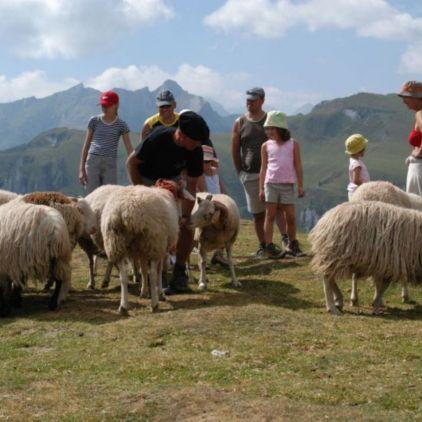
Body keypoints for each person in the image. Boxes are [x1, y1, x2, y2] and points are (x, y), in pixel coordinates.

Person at [126, 111, 210, 294]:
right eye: (195, 141)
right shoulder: (158, 138)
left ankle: (179, 275)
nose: (198, 145)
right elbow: (131, 162)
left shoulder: (195, 150)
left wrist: (186, 215)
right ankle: (156, 276)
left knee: (186, 227)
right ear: (182, 135)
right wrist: (141, 193)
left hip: (172, 183)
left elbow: (192, 184)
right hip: (146, 180)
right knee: (156, 229)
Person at [232, 87, 288, 258]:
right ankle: (264, 246)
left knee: (277, 208)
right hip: (249, 175)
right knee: (258, 214)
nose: (249, 102)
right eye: (248, 99)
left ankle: (287, 242)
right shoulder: (240, 122)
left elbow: (280, 143)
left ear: (262, 100)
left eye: (253, 100)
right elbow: (235, 149)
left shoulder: (268, 121)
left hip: (271, 174)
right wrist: (240, 172)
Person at [259, 111, 305, 258]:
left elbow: (298, 165)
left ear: (281, 128)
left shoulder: (293, 144)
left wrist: (300, 185)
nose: (269, 131)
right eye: (267, 128)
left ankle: (293, 244)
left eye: (272, 128)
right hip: (270, 183)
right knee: (270, 216)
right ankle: (268, 246)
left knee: (290, 216)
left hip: (287, 184)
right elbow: (263, 167)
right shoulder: (265, 146)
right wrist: (261, 188)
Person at [79, 90, 133, 194]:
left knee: (109, 195)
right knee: (91, 196)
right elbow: (86, 146)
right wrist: (81, 169)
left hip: (110, 163)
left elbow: (129, 149)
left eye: (107, 105)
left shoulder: (122, 125)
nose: (104, 108)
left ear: (116, 105)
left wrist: (135, 168)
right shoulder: (94, 121)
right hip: (92, 162)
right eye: (103, 105)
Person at [197, 144, 228, 266]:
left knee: (224, 226)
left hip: (219, 201)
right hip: (209, 204)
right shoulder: (200, 175)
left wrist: (226, 199)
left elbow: (221, 186)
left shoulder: (215, 172)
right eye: (203, 161)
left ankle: (219, 254)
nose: (205, 164)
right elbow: (204, 191)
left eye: (208, 161)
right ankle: (202, 254)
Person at [398, 81, 422, 195]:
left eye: (406, 97)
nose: (404, 101)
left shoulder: (420, 114)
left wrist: (420, 151)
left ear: (416, 98)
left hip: (419, 167)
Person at [345, 134, 370, 200]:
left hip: (353, 192)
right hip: (358, 192)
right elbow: (356, 180)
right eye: (363, 149)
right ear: (358, 151)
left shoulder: (353, 160)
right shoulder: (357, 164)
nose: (364, 150)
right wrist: (366, 187)